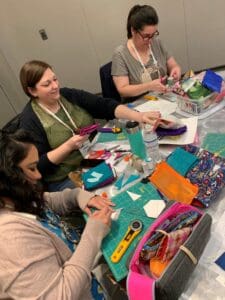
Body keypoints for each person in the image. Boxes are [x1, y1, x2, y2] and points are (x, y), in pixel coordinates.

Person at [0, 129, 123, 300]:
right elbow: (61, 295)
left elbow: (47, 201)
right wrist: (93, 234)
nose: (38, 175)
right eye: (32, 168)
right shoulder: (9, 239)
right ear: (8, 178)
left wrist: (78, 196)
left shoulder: (15, 198)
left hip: (89, 278)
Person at [17, 60, 160, 191]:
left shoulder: (67, 95)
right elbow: (38, 165)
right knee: (118, 190)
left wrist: (140, 116)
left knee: (135, 169)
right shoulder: (30, 120)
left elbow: (104, 105)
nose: (55, 86)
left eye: (55, 79)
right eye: (47, 84)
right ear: (32, 91)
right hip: (66, 177)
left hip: (92, 156)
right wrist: (68, 147)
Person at [111, 4, 181, 101]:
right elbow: (123, 90)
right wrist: (148, 86)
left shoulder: (157, 42)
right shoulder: (120, 54)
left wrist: (175, 70)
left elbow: (173, 65)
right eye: (146, 36)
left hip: (164, 98)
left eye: (154, 34)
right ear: (133, 31)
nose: (150, 40)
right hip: (140, 105)